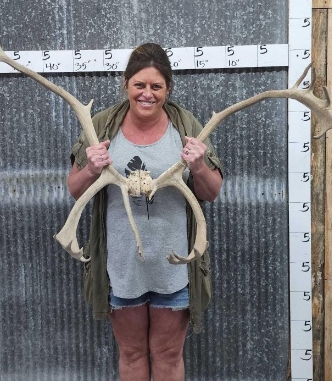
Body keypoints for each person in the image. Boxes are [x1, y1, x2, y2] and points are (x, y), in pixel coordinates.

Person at [68, 43, 223, 381]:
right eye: (139, 85)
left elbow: (212, 192)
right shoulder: (101, 126)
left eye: (156, 86)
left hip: (175, 267)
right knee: (132, 354)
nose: (147, 94)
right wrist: (91, 168)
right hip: (122, 265)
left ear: (168, 88)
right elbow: (75, 189)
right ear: (125, 83)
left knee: (168, 356)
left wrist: (198, 167)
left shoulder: (187, 126)